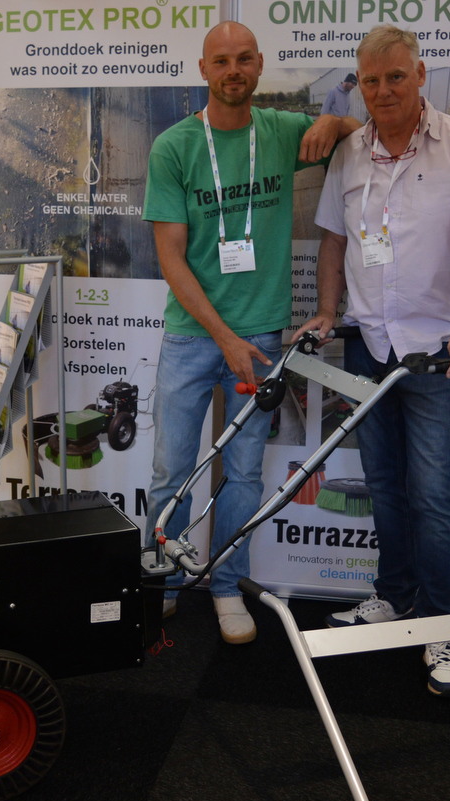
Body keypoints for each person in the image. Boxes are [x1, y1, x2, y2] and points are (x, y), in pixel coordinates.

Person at [295, 25, 450, 695]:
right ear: (359, 83)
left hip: (436, 352)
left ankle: (442, 623)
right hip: (367, 344)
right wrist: (328, 310)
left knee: (433, 494)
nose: (383, 91)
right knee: (383, 482)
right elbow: (334, 242)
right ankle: (394, 594)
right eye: (371, 80)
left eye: (395, 77)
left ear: (420, 75)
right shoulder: (350, 152)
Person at [143, 21, 360, 644]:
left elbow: (361, 134)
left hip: (262, 336)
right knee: (171, 472)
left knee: (243, 477)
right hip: (193, 336)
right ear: (204, 69)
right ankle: (162, 583)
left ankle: (224, 585)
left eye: (243, 59)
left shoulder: (282, 131)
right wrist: (224, 338)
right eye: (221, 61)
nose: (233, 70)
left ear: (259, 65)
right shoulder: (175, 147)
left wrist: (334, 122)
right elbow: (171, 260)